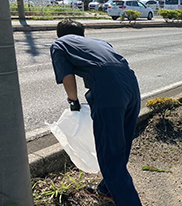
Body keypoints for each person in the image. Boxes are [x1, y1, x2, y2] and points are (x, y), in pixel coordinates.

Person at [50, 19, 142, 206]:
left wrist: (74, 101)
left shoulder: (59, 44)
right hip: (132, 86)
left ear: (59, 33)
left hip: (108, 91)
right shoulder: (100, 42)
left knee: (109, 154)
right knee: (121, 145)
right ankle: (107, 189)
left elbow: (67, 76)